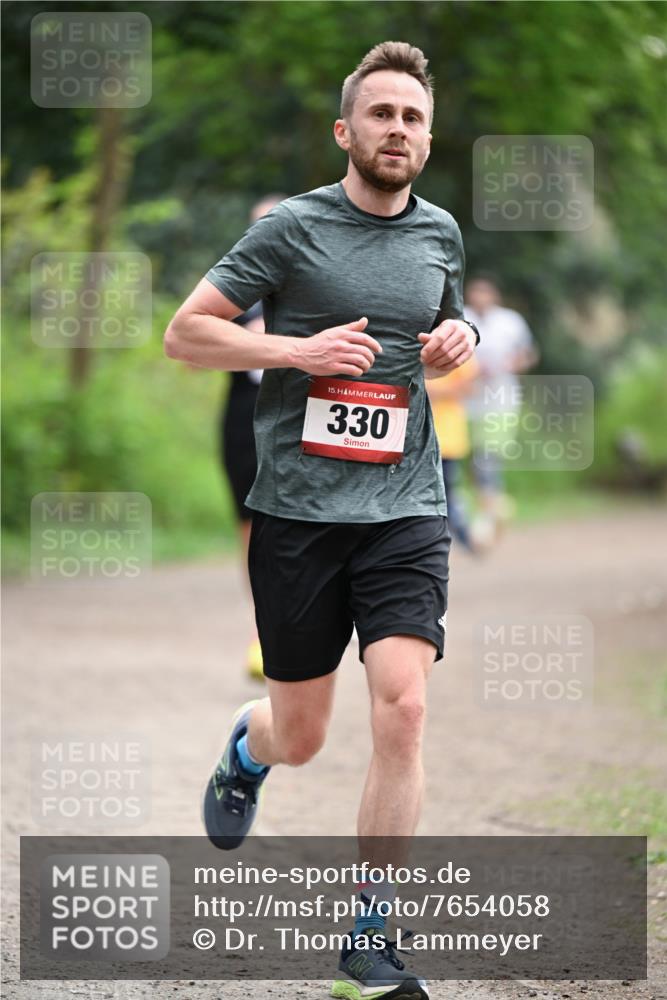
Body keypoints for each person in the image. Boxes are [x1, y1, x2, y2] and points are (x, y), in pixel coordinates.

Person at [165, 41, 479, 1000]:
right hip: (299, 512)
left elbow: (444, 335)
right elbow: (188, 333)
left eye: (413, 118)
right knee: (302, 733)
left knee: (406, 705)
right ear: (346, 131)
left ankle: (370, 934)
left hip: (405, 503)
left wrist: (452, 342)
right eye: (380, 114)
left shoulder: (440, 234)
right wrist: (299, 352)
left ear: (427, 138)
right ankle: (247, 749)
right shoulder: (292, 230)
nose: (397, 130)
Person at [219, 195, 285, 680]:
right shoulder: (230, 285)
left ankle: (298, 627)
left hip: (300, 417)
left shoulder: (319, 279)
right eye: (257, 225)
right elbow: (192, 343)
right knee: (250, 529)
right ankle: (262, 629)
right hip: (243, 417)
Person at [464, 274, 539, 546]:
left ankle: (487, 518)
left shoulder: (510, 321)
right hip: (465, 401)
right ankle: (495, 508)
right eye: (476, 292)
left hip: (501, 402)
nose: (480, 298)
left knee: (487, 459)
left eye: (485, 293)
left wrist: (509, 365)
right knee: (472, 461)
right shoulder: (462, 316)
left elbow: (529, 354)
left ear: (494, 296)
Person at [425, 357, 479, 552]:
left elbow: (471, 386)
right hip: (417, 440)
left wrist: (427, 390)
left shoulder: (455, 341)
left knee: (446, 495)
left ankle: (464, 538)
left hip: (448, 439)